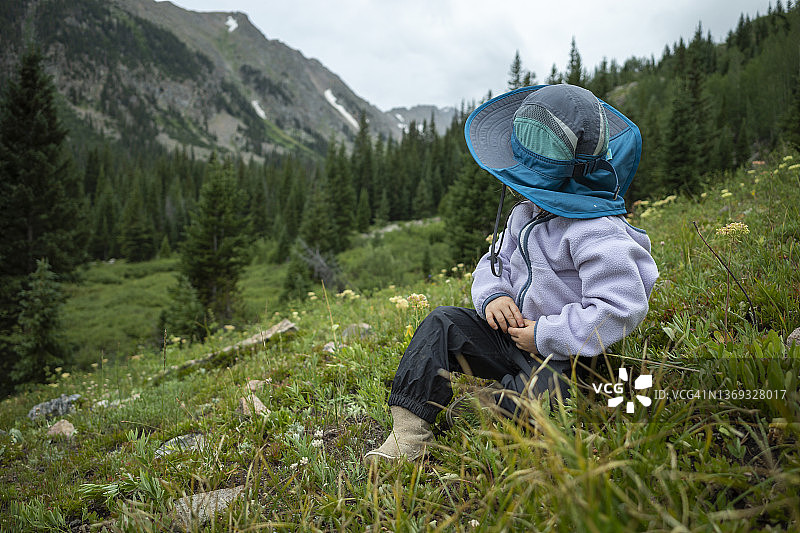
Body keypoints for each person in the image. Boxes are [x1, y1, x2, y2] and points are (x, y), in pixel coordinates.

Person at [364, 84, 659, 463]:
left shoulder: (598, 231)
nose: (521, 187)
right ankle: (408, 434)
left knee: (549, 401)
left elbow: (621, 307)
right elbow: (493, 262)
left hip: (569, 356)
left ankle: (496, 406)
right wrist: (494, 295)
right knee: (442, 323)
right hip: (512, 336)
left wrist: (546, 335)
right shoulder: (525, 214)